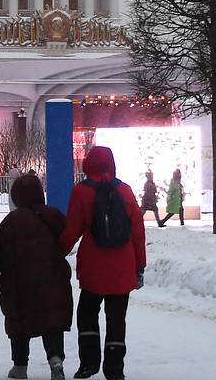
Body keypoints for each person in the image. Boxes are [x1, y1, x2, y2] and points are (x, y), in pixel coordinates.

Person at [59, 146, 146, 380]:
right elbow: (138, 232)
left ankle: (89, 363)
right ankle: (115, 368)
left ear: (88, 165)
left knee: (87, 313)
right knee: (117, 318)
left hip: (93, 267)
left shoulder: (81, 192)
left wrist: (58, 251)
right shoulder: (125, 191)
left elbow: (73, 230)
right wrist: (140, 266)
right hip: (122, 266)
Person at [0, 173, 71, 380]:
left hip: (19, 284)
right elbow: (67, 240)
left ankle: (20, 366)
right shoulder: (53, 215)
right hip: (52, 280)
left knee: (19, 322)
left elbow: (0, 251)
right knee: (52, 320)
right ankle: (55, 360)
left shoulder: (10, 222)